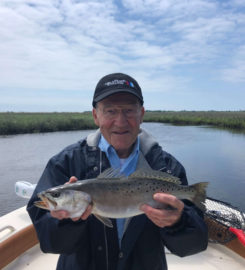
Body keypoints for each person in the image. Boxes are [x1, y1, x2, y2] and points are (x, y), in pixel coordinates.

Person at [27, 73, 208, 270]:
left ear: (142, 115)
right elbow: (50, 243)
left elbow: (194, 245)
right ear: (96, 116)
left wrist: (178, 222)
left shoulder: (167, 167)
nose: (120, 122)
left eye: (129, 111)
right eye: (110, 111)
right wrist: (68, 223)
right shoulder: (65, 163)